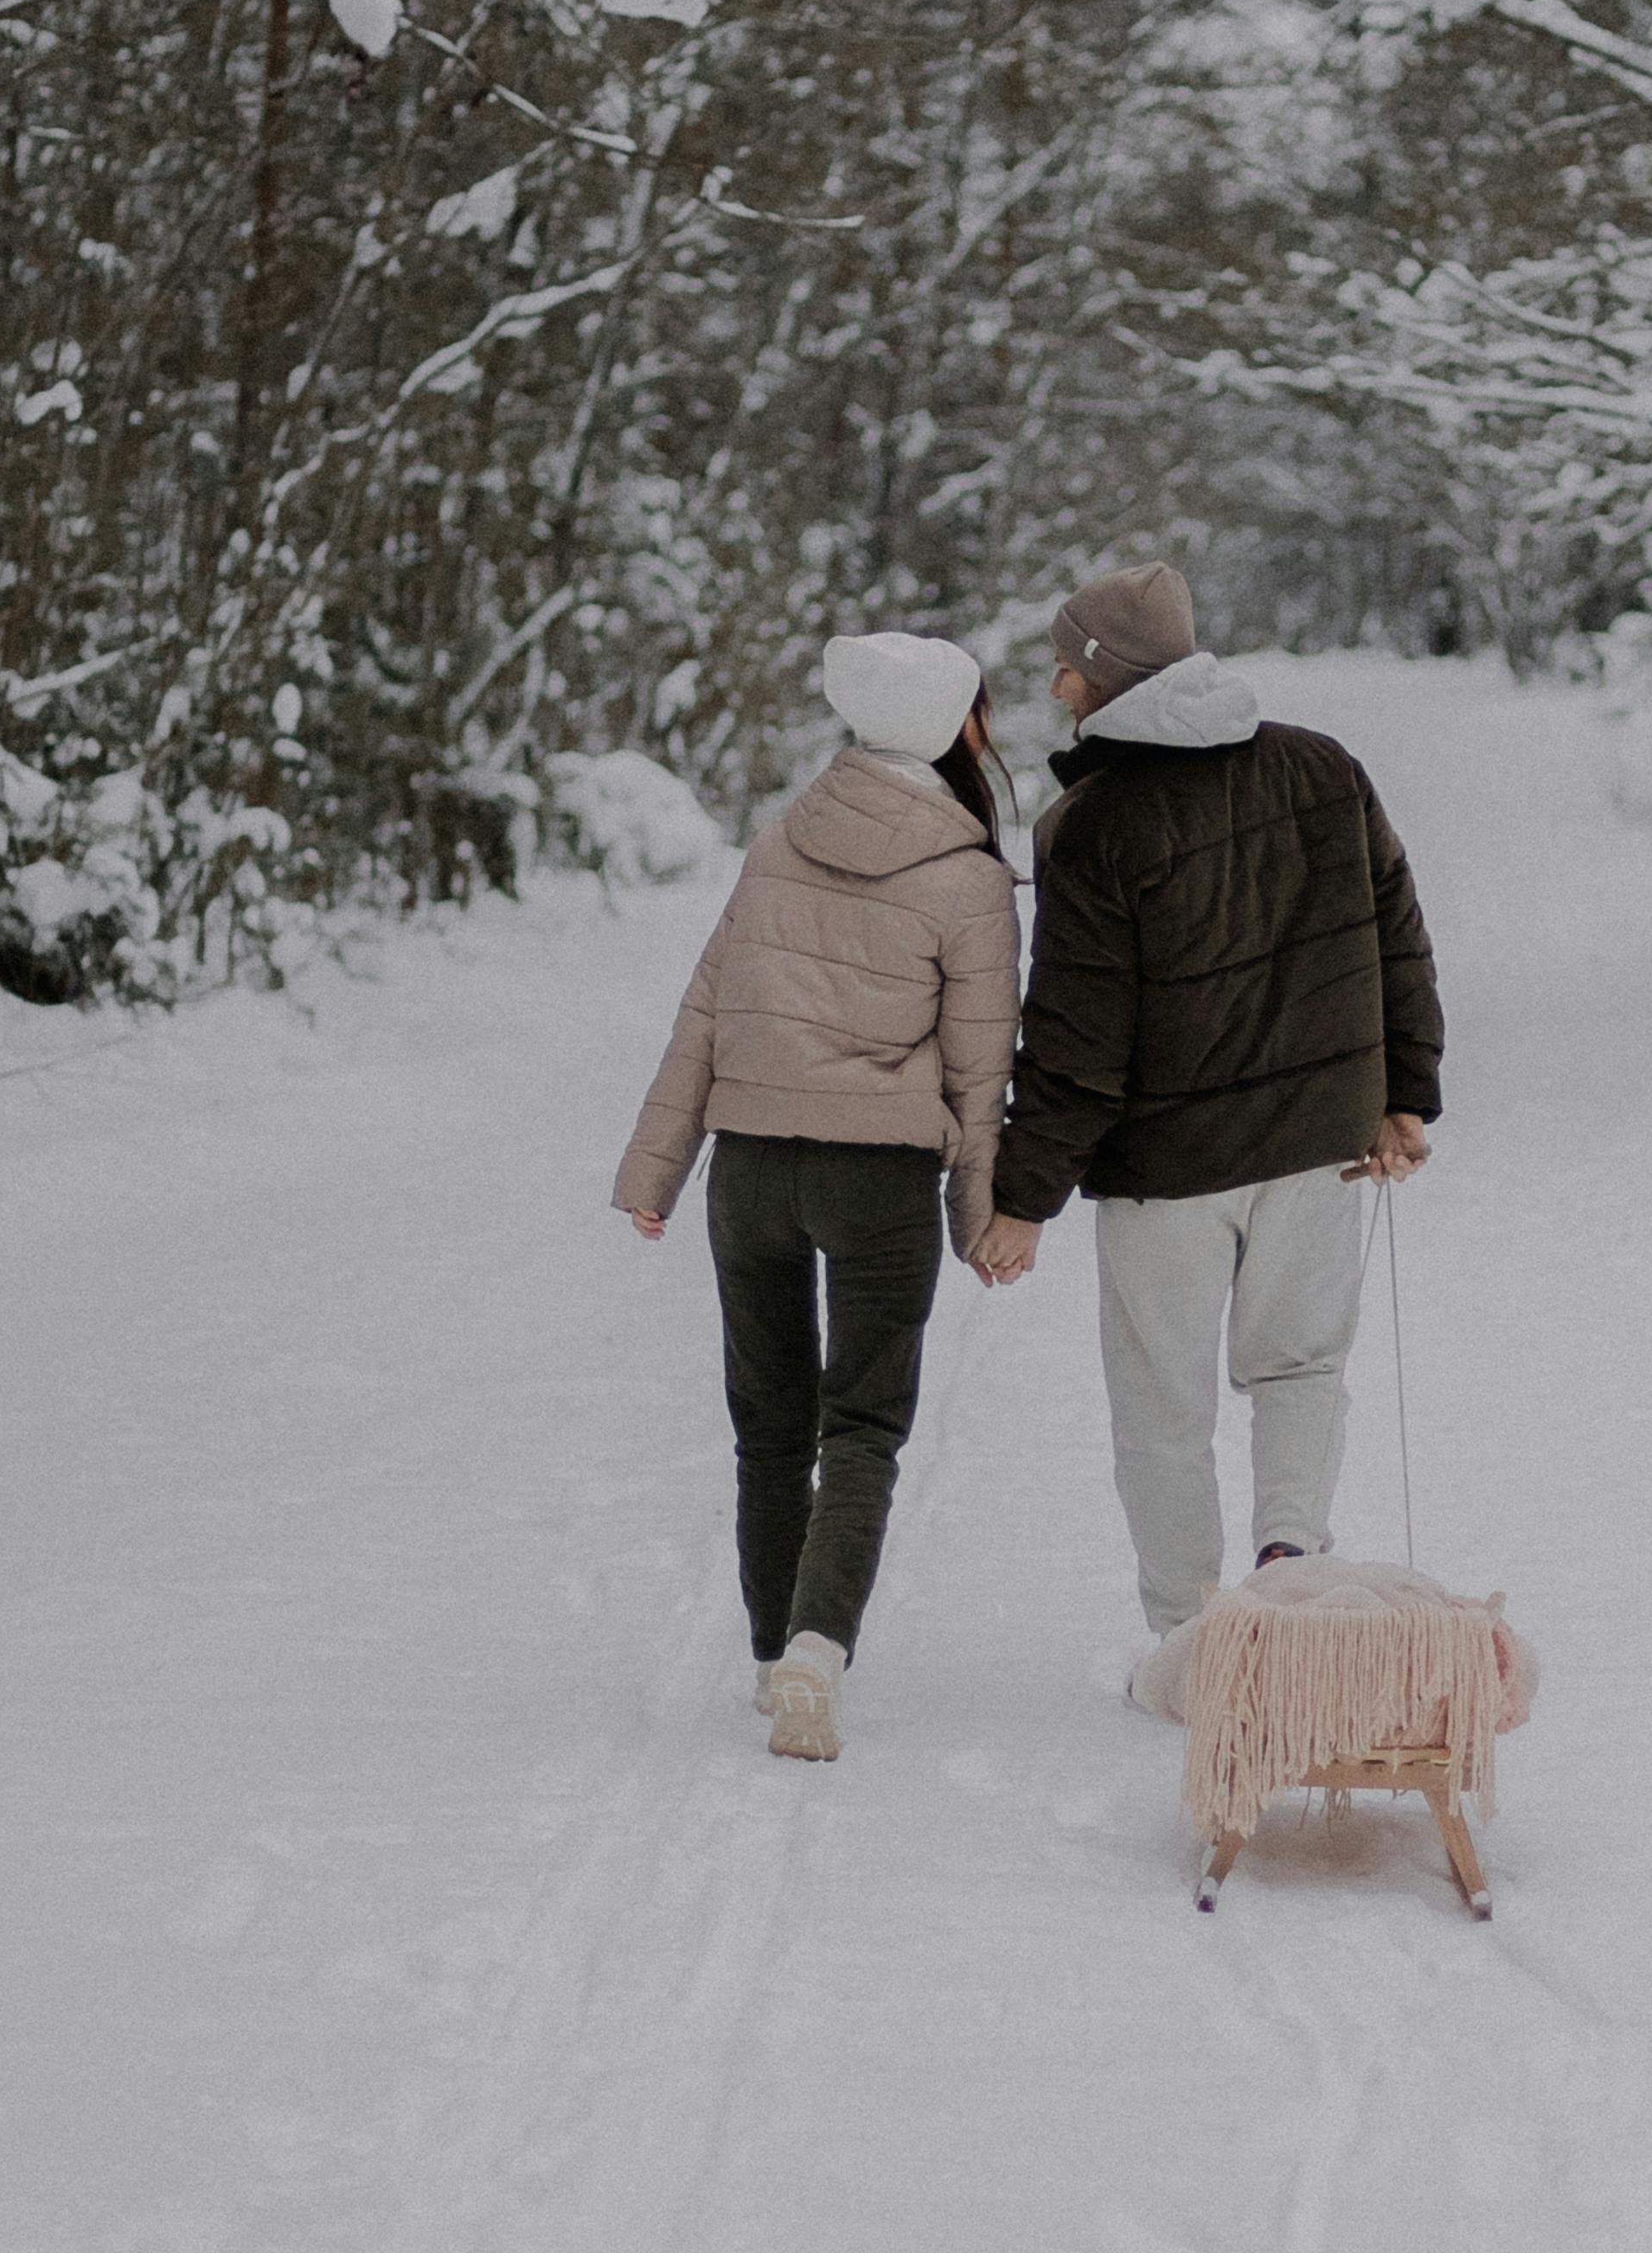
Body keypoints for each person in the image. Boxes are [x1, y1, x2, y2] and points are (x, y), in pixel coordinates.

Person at [973, 562, 1443, 1648]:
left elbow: (1077, 1041)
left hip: (1167, 1174)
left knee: (1160, 1409)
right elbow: (1397, 934)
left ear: (1104, 674)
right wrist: (1402, 1092)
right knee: (1301, 1366)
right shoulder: (1322, 769)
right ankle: (1291, 1570)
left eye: (1065, 663)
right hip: (1322, 1147)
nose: (1052, 682)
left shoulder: (1090, 825)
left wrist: (1023, 1198)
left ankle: (1191, 1637)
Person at [614, 631, 1015, 1760]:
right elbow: (980, 1070)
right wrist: (978, 1215)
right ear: (949, 728)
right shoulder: (969, 876)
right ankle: (815, 1651)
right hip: (874, 1175)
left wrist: (655, 1172)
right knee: (865, 1424)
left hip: (747, 1171)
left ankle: (765, 1655)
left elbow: (703, 1013)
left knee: (769, 1427)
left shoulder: (777, 844)